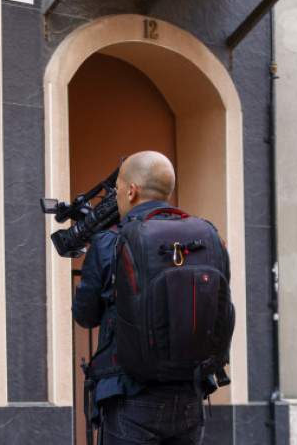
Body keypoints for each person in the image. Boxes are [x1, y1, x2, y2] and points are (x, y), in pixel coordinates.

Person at [73, 150, 205, 445]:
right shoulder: (202, 238)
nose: (117, 196)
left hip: (129, 395)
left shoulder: (110, 240)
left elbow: (85, 314)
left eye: (118, 189)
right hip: (190, 397)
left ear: (131, 191)